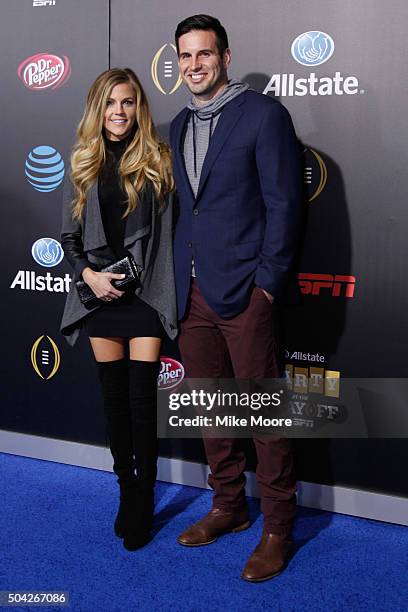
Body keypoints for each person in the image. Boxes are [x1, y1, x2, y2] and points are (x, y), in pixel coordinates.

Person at [170, 15, 302, 581]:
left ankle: (278, 526)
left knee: (263, 414)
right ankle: (228, 506)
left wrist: (268, 283)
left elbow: (285, 204)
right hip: (191, 291)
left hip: (247, 291)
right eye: (185, 56)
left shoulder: (265, 115)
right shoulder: (176, 124)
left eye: (204, 54)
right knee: (209, 408)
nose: (194, 65)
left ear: (225, 57)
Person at [60, 68, 177, 551]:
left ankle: (144, 495)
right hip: (101, 296)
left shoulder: (157, 160)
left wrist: (141, 282)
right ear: (97, 108)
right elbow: (69, 237)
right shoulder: (84, 162)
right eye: (111, 103)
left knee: (141, 404)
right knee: (113, 403)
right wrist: (90, 277)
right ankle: (126, 491)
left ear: (139, 107)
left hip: (145, 295)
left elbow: (167, 236)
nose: (119, 112)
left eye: (128, 103)